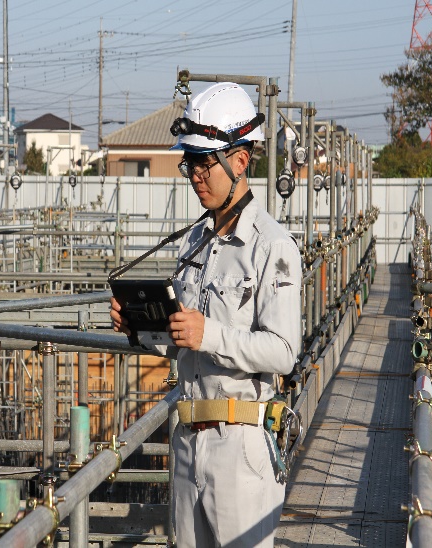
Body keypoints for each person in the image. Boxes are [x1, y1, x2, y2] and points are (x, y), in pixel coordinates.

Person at [110, 82, 302, 547]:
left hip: (239, 447)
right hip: (186, 438)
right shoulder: (194, 242)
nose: (196, 174)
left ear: (240, 159)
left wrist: (209, 333)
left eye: (204, 162)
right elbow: (183, 336)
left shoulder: (271, 245)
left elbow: (284, 352)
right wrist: (140, 325)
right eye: (190, 163)